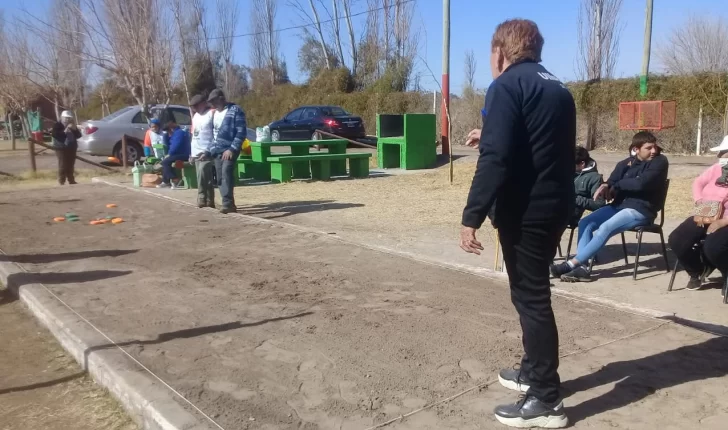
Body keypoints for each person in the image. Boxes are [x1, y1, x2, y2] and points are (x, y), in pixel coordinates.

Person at [459, 19, 574, 428]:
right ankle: (532, 370)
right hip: (555, 206)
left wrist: (471, 217)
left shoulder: (506, 85)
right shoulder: (557, 87)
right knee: (532, 294)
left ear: (500, 52)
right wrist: (489, 130)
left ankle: (546, 399)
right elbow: (535, 139)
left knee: (531, 299)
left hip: (526, 210)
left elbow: (496, 159)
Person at [551, 131, 669, 282]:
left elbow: (641, 183)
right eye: (649, 148)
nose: (654, 151)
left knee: (605, 227)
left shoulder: (660, 162)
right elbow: (611, 180)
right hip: (619, 206)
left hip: (641, 210)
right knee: (585, 223)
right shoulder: (626, 163)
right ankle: (583, 268)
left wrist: (617, 185)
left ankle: (570, 265)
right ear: (636, 149)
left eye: (654, 147)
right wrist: (606, 186)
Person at [668, 135, 728, 290]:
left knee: (713, 247)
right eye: (720, 152)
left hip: (726, 219)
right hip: (706, 212)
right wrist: (699, 200)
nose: (720, 156)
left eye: (724, 152)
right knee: (677, 239)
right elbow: (698, 182)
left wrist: (723, 221)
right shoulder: (716, 169)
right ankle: (696, 271)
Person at [208, 89, 247, 214]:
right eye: (211, 102)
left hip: (230, 149)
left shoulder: (235, 110)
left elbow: (241, 131)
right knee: (219, 176)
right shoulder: (214, 114)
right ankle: (227, 202)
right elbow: (212, 133)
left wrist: (232, 149)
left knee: (226, 172)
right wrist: (211, 148)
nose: (212, 104)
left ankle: (228, 203)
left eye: (214, 100)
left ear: (221, 98)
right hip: (217, 150)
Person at [189, 94, 216, 208]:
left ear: (203, 103)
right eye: (193, 106)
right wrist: (190, 152)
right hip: (196, 149)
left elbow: (216, 133)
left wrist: (209, 150)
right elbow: (193, 134)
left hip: (207, 149)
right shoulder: (195, 116)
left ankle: (201, 196)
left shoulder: (212, 113)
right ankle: (210, 200)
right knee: (205, 176)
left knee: (203, 171)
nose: (194, 108)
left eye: (196, 105)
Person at [572, 146, 605, 226]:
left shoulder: (595, 178)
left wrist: (575, 199)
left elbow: (599, 204)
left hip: (570, 213)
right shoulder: (569, 171)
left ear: (582, 164)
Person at [157, 118, 190, 189]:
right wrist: (165, 136)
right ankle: (165, 181)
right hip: (176, 154)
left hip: (184, 154)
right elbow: (167, 145)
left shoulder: (179, 133)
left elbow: (176, 146)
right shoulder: (172, 134)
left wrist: (169, 154)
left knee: (165, 162)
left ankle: (175, 179)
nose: (167, 133)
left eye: (168, 131)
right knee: (165, 161)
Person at [51, 110, 81, 185]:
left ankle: (71, 180)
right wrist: (65, 130)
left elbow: (78, 136)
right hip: (60, 147)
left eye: (69, 118)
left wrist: (74, 129)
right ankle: (61, 181)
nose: (67, 119)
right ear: (62, 117)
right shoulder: (57, 125)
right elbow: (55, 134)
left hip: (72, 147)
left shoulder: (72, 125)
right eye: (66, 118)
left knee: (71, 164)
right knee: (62, 164)